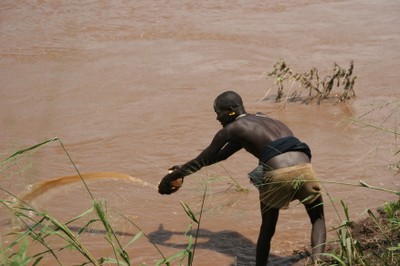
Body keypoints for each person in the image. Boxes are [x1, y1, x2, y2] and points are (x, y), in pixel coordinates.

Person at [158, 91, 326, 265]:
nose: (217, 118)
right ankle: (319, 262)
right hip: (305, 167)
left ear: (230, 110)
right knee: (318, 219)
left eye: (218, 113)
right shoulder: (264, 118)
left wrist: (171, 178)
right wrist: (182, 169)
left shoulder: (232, 129)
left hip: (277, 172)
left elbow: (203, 159)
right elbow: (220, 156)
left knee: (267, 229)